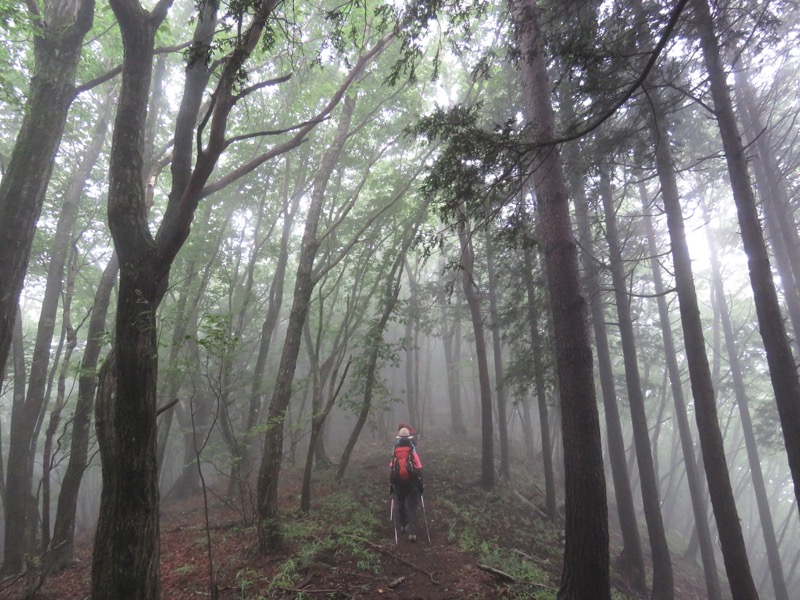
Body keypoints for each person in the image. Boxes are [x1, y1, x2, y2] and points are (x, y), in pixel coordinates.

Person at [389, 427, 424, 542]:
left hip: (399, 482)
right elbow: (418, 466)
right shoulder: (411, 450)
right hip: (412, 482)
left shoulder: (395, 451)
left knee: (401, 502)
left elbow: (391, 466)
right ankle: (412, 532)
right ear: (409, 437)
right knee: (412, 507)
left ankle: (403, 525)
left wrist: (391, 484)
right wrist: (420, 484)